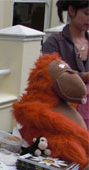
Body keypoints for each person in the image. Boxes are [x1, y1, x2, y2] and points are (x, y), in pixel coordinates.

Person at [42, 0, 89, 129]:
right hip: (63, 114)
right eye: (87, 13)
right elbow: (52, 73)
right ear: (72, 11)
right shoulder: (54, 43)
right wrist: (82, 76)